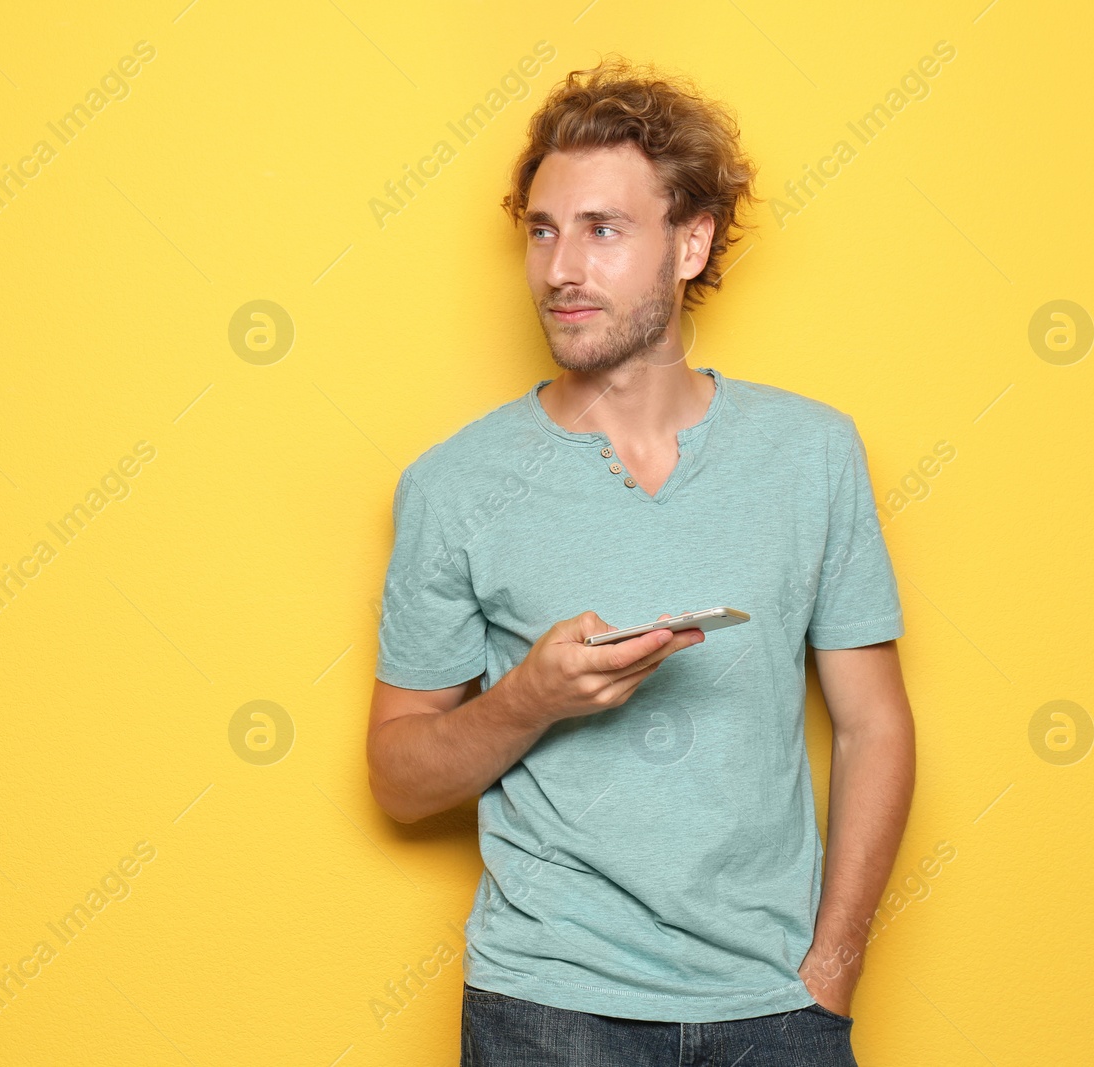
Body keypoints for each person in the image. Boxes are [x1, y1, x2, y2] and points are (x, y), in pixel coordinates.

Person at [365, 55, 914, 1067]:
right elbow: (398, 776)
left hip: (776, 1006)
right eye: (541, 229)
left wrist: (831, 967)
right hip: (545, 1008)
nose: (560, 266)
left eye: (602, 229)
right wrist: (527, 695)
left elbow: (875, 722)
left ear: (690, 241)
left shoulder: (812, 453)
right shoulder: (452, 484)